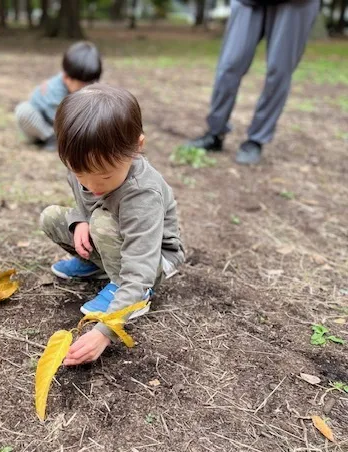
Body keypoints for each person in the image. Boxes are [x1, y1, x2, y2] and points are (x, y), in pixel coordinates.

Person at [40, 84, 184, 366]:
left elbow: (141, 266)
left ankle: (122, 287)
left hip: (154, 258)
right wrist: (80, 221)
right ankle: (100, 266)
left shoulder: (143, 195)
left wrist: (107, 330)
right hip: (109, 232)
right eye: (79, 173)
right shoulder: (84, 164)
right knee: (54, 217)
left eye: (104, 177)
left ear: (137, 148)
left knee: (103, 222)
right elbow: (86, 203)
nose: (91, 185)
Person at [186, 0, 319, 165]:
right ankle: (215, 133)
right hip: (247, 2)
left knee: (279, 71)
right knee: (230, 65)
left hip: (297, 3)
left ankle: (256, 140)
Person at [15, 41, 102, 151]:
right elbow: (59, 119)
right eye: (82, 84)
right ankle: (51, 138)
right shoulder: (55, 91)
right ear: (66, 78)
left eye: (91, 82)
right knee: (23, 110)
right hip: (45, 125)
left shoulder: (86, 85)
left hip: (68, 128)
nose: (87, 88)